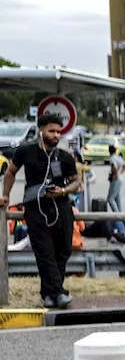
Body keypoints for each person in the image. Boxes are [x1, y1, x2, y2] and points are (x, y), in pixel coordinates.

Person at [0, 114, 82, 308]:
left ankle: (49, 294)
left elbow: (77, 183)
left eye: (59, 132)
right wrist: (6, 195)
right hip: (35, 208)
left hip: (61, 206)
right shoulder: (25, 151)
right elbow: (10, 172)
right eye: (52, 131)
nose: (56, 135)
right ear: (41, 130)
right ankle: (60, 293)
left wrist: (63, 191)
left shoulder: (64, 157)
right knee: (44, 251)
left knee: (63, 250)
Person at [104, 143, 125, 243]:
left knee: (110, 199)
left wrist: (115, 175)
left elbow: (114, 167)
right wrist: (120, 174)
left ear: (109, 151)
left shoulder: (112, 158)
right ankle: (121, 217)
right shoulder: (119, 157)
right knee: (117, 198)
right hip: (120, 179)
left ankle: (118, 216)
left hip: (116, 179)